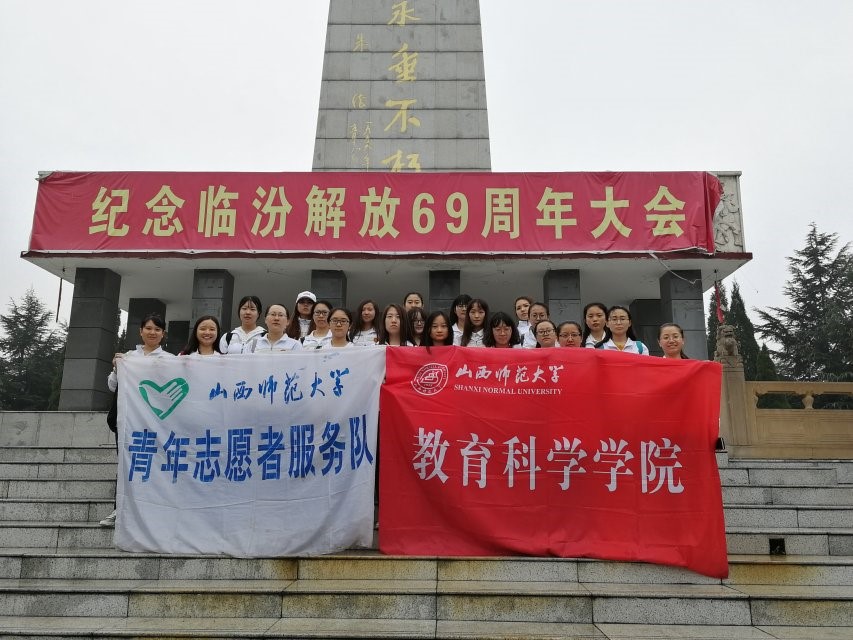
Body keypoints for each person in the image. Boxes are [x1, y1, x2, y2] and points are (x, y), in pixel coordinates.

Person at [102, 312, 175, 527]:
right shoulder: (128, 357)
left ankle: (153, 510)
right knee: (127, 464)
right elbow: (112, 387)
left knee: (155, 464)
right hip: (129, 422)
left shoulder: (170, 360)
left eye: (157, 329)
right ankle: (120, 509)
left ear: (163, 334)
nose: (153, 332)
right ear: (141, 331)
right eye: (148, 328)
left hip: (157, 423)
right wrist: (117, 368)